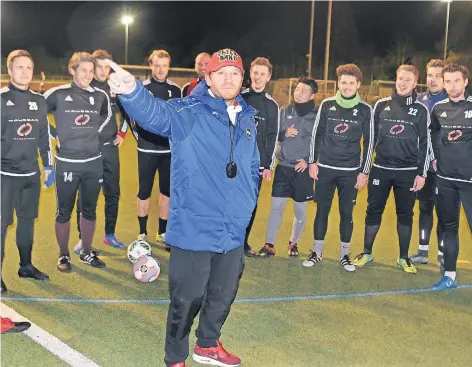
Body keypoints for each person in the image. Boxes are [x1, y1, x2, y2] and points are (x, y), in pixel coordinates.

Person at [109, 48, 259, 367]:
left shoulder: (247, 115)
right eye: (221, 73)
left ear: (242, 79)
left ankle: (207, 345)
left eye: (235, 73)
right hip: (195, 224)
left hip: (233, 227)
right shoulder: (187, 110)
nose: (228, 79)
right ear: (208, 77)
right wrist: (131, 90)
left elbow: (252, 164)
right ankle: (175, 357)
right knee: (185, 299)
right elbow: (155, 115)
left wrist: (248, 205)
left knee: (222, 292)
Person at [352, 64, 430, 274]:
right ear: (396, 80)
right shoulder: (380, 105)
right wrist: (365, 169)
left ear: (415, 83)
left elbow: (425, 143)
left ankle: (404, 257)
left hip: (408, 172)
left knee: (405, 214)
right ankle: (366, 252)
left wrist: (421, 173)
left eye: (408, 80)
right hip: (381, 169)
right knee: (373, 211)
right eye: (400, 78)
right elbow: (370, 140)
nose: (403, 83)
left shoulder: (421, 110)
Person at [44, 52, 112, 272]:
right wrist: (54, 133)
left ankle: (86, 252)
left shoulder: (100, 95)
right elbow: (34, 115)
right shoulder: (58, 94)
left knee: (89, 210)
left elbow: (108, 115)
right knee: (64, 210)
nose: (88, 75)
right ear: (72, 70)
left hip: (93, 162)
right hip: (67, 162)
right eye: (84, 70)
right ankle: (63, 255)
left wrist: (93, 133)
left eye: (91, 71)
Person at [304, 64, 373, 271]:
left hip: (350, 172)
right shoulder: (327, 104)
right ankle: (317, 252)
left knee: (346, 213)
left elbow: (370, 142)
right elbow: (316, 135)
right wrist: (312, 161)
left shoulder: (365, 110)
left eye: (351, 83)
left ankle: (345, 255)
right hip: (324, 168)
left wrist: (364, 171)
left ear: (358, 85)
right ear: (338, 83)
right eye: (343, 83)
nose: (347, 87)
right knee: (322, 211)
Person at [1, 50, 53, 294]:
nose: (24, 72)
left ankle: (26, 266)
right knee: (1, 225)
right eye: (19, 67)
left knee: (26, 224)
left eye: (29, 68)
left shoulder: (39, 101)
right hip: (5, 175)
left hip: (30, 175)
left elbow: (44, 137)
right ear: (9, 70)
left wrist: (49, 165)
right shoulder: (1, 99)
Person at [73, 49, 128, 253]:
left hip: (110, 150)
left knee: (113, 193)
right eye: (100, 67)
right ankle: (82, 239)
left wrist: (122, 134)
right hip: (89, 151)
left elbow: (126, 113)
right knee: (86, 196)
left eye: (108, 67)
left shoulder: (115, 88)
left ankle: (109, 234)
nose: (104, 71)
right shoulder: (84, 89)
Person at [257, 77, 317, 258]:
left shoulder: (317, 116)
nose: (298, 93)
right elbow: (273, 135)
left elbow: (320, 142)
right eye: (297, 89)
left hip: (302, 170)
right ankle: (269, 245)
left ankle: (293, 243)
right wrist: (284, 133)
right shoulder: (284, 111)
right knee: (277, 207)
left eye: (303, 91)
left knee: (300, 210)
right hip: (283, 167)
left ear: (313, 95)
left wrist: (307, 160)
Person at [134, 50, 182, 247]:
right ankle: (142, 232)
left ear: (169, 67)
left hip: (167, 152)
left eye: (164, 65)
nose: (161, 69)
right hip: (146, 150)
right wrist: (139, 137)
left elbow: (179, 119)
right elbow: (133, 115)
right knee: (144, 191)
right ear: (151, 65)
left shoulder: (176, 90)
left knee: (166, 192)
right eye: (157, 65)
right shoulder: (142, 88)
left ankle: (162, 232)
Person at [430, 64, 472, 290]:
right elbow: (434, 133)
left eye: (457, 80)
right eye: (448, 81)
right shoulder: (438, 108)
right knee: (449, 228)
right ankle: (450, 276)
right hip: (445, 180)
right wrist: (435, 157)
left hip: (470, 182)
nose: (452, 85)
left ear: (465, 82)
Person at [241, 57, 279, 257]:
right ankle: (227, 239)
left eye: (262, 74)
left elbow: (272, 137)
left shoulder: (272, 106)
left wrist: (269, 165)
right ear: (250, 73)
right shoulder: (240, 97)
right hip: (236, 162)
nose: (258, 77)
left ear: (268, 77)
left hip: (256, 165)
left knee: (250, 204)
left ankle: (243, 242)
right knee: (230, 200)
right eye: (255, 72)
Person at [410, 59, 448, 265]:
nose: (433, 80)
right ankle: (423, 251)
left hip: (443, 167)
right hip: (423, 166)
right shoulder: (420, 99)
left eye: (438, 76)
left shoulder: (452, 101)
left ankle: (443, 253)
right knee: (425, 207)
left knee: (443, 210)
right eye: (430, 75)